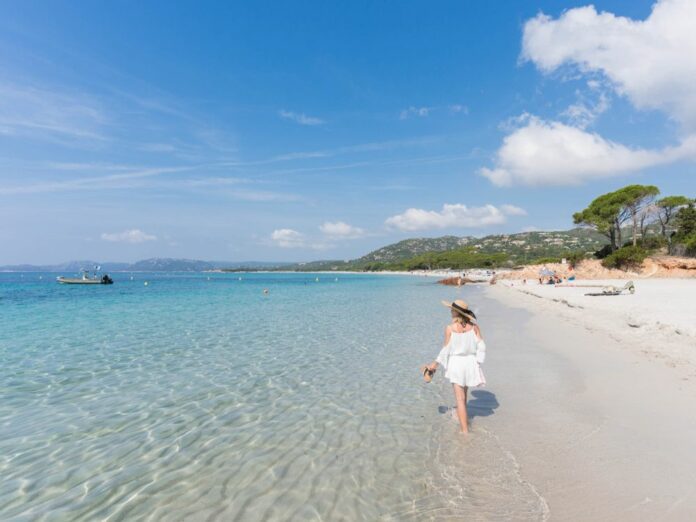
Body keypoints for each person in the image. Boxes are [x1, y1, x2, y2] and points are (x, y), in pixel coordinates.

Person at [425, 300, 486, 433]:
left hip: (457, 364)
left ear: (456, 313)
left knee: (460, 399)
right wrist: (478, 362)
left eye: (452, 310)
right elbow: (482, 346)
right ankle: (461, 417)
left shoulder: (450, 328)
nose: (450, 311)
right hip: (470, 363)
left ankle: (465, 431)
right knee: (464, 396)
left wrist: (434, 364)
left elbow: (445, 350)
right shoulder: (474, 327)